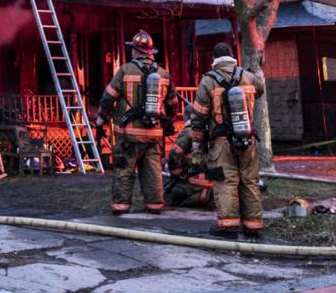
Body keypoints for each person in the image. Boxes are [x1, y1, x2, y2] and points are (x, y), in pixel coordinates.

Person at [97, 30, 180, 215]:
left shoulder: (125, 70)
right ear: (151, 53)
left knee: (124, 170)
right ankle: (155, 205)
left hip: (128, 134)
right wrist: (167, 121)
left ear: (135, 51)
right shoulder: (164, 74)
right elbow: (173, 104)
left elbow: (108, 98)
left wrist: (102, 118)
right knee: (153, 172)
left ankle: (121, 207)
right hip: (154, 134)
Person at [189, 42, 265, 238]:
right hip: (248, 138)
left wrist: (197, 144)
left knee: (225, 180)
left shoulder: (208, 80)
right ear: (232, 57)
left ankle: (228, 226)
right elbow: (261, 90)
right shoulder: (248, 77)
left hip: (221, 142)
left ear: (214, 60)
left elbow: (198, 116)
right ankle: (253, 225)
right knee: (249, 180)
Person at [165, 115, 215, 209]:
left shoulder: (215, 137)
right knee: (176, 194)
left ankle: (203, 197)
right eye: (195, 130)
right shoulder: (190, 135)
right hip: (190, 184)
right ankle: (203, 198)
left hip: (205, 185)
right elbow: (174, 154)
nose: (196, 134)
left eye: (199, 131)